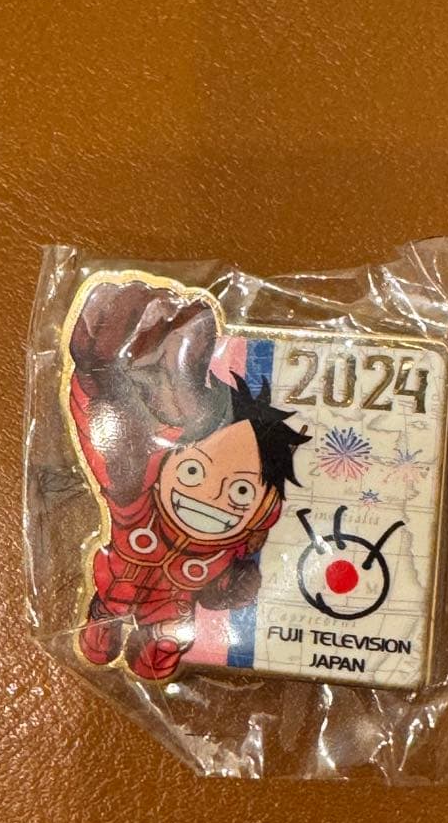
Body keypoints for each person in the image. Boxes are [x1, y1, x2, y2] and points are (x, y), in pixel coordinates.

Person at [66, 278, 310, 680]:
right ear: (164, 465)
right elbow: (111, 450)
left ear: (265, 510)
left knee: (163, 646)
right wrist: (99, 383)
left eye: (241, 491)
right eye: (193, 471)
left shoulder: (222, 553)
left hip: (171, 612)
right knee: (101, 633)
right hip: (116, 589)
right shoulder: (137, 506)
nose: (209, 495)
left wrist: (233, 586)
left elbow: (223, 589)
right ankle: (103, 625)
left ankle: (153, 652)